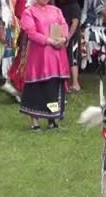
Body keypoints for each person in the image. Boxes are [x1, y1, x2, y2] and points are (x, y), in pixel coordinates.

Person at [19, 0, 70, 131]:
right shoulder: (28, 12)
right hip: (39, 58)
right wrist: (48, 40)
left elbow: (64, 25)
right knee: (35, 89)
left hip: (57, 56)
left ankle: (52, 120)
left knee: (53, 89)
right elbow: (31, 32)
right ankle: (34, 122)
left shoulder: (56, 10)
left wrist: (63, 38)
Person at [57, 0, 83, 92]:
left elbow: (75, 23)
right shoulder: (60, 6)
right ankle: (66, 84)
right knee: (65, 59)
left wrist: (68, 37)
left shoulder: (74, 6)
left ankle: (76, 83)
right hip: (63, 35)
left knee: (73, 59)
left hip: (73, 36)